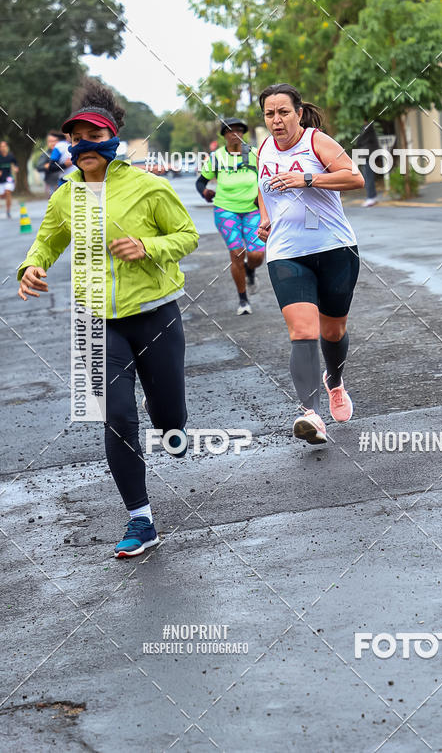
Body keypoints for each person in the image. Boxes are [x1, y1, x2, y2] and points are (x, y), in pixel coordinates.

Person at [16, 79, 199, 558]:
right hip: (94, 320)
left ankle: (171, 427)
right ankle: (141, 519)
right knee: (116, 416)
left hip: (155, 313)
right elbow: (48, 240)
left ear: (113, 140)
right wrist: (31, 266)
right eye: (76, 139)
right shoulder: (64, 196)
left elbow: (186, 236)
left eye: (93, 137)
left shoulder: (148, 187)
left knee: (168, 415)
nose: (83, 146)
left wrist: (148, 247)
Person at [256, 83, 364, 445]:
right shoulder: (263, 150)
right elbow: (263, 189)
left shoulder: (317, 142)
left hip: (335, 247)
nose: (276, 120)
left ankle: (334, 380)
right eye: (270, 114)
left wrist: (306, 178)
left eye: (283, 112)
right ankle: (311, 416)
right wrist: (265, 218)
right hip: (286, 253)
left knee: (333, 332)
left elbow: (354, 177)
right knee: (303, 331)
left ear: (298, 113)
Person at [195, 117, 265, 315]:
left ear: (243, 133)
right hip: (225, 210)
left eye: (239, 130)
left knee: (257, 255)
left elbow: (267, 177)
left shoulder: (254, 154)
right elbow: (200, 182)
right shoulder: (216, 157)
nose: (235, 133)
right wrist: (205, 193)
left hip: (252, 210)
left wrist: (262, 200)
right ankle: (243, 300)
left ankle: (250, 270)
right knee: (237, 254)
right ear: (224, 135)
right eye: (230, 130)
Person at [355, 120, 379, 207]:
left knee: (368, 177)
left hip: (367, 155)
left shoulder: (368, 127)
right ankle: (372, 196)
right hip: (369, 155)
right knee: (368, 176)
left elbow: (360, 140)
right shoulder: (369, 128)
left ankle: (371, 197)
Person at [42, 131, 66, 197]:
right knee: (53, 202)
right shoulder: (46, 153)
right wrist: (45, 166)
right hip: (51, 182)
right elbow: (40, 166)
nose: (52, 143)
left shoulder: (65, 147)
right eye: (50, 141)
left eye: (54, 141)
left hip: (62, 180)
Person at [0, 140, 18, 218]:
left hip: (8, 177)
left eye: (4, 146)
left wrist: (16, 168)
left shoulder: (10, 156)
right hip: (1, 179)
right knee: (2, 195)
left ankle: (8, 211)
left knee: (8, 192)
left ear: (7, 147)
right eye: (1, 146)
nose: (3, 148)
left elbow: (15, 162)